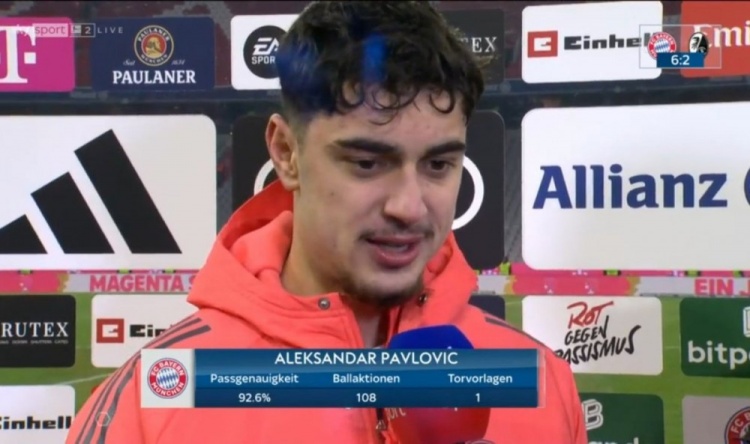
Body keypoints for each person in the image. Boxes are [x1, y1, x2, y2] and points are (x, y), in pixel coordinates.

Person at [66, 2, 587, 443]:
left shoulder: (540, 382)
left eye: (438, 165)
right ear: (286, 153)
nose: (409, 206)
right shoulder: (157, 398)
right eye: (367, 163)